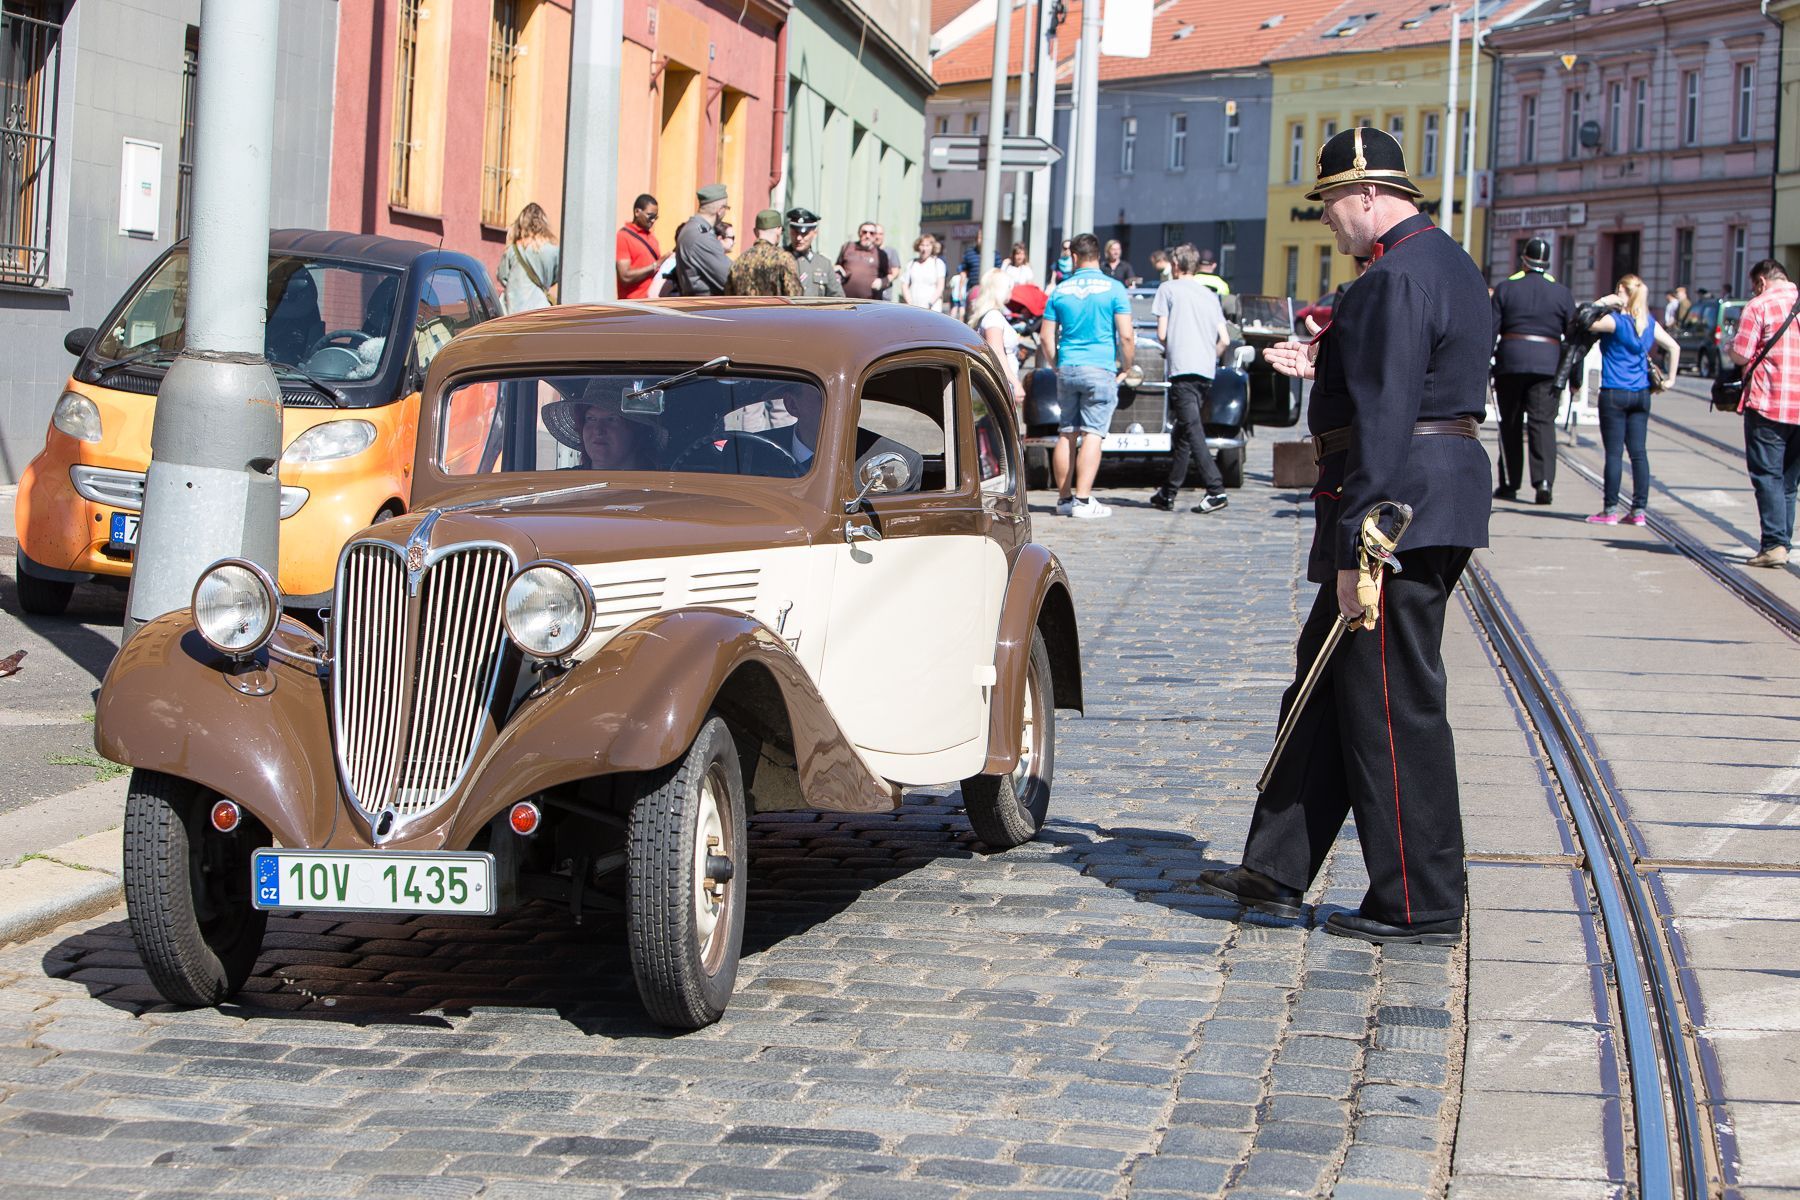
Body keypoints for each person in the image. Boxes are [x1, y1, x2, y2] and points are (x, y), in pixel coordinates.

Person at [1199, 127, 1493, 946]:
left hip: (1396, 509)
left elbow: (1388, 415)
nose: (1327, 219)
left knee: (1392, 705)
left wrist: (1359, 547)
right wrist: (1330, 357)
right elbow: (1413, 371)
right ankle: (1278, 866)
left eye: (1331, 203)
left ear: (1368, 193)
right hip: (1430, 494)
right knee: (1326, 682)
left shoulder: (1392, 278)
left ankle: (1419, 900)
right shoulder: (1442, 262)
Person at [1041, 232, 1133, 519]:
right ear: (1099, 256)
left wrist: (1057, 364)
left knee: (1067, 432)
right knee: (1093, 432)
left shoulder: (1060, 290)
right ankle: (1083, 500)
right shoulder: (1114, 288)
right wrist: (1126, 366)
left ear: (1075, 257)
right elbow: (1127, 336)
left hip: (1068, 366)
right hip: (1100, 367)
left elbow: (1045, 337)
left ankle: (1064, 499)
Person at [1584, 274, 1679, 525]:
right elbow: (1674, 347)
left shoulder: (1615, 322)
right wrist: (1670, 379)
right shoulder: (1648, 322)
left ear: (1624, 292)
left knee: (1614, 453)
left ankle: (1610, 510)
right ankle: (1638, 512)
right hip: (1641, 395)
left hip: (1614, 393)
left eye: (1618, 290)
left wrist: (1605, 301)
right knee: (1638, 453)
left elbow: (1586, 321)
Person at [1147, 244, 1232, 515]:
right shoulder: (1209, 295)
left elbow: (1162, 334)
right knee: (1184, 432)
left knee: (1192, 429)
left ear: (1175, 265)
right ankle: (1168, 492)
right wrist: (1210, 355)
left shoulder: (1167, 289)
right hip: (1206, 370)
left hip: (1182, 368)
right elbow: (1225, 339)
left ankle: (1215, 488)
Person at [1490, 237, 1574, 505]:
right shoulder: (1561, 293)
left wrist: (1483, 363)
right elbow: (1573, 339)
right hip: (1547, 366)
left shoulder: (1505, 289)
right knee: (1542, 424)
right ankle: (1544, 483)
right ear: (1547, 263)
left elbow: (1491, 331)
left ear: (1523, 260)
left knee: (1511, 425)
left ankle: (1510, 483)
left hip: (1511, 364)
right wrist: (1576, 377)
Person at [1728, 259, 1800, 567]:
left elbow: (1742, 354)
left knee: (1767, 475)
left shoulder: (1758, 306)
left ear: (1760, 282)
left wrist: (1730, 348)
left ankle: (1773, 545)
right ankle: (1781, 541)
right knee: (1788, 480)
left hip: (1768, 403)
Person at [543, 384, 664, 470]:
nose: (598, 430)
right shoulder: (562, 485)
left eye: (611, 420)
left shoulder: (660, 488)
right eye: (591, 419)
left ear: (636, 432)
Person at [968, 268, 1025, 404]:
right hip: (1001, 386)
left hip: (996, 385)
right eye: (1009, 287)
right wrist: (1016, 383)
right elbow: (997, 353)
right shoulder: (994, 317)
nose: (1011, 291)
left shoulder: (988, 315)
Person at [497, 202, 560, 315]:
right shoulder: (553, 251)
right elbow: (557, 276)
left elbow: (502, 276)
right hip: (540, 312)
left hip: (513, 313)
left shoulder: (513, 250)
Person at [673, 184, 733, 296]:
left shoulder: (692, 229)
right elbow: (730, 277)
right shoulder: (701, 237)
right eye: (726, 208)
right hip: (707, 306)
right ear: (720, 210)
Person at [727, 209, 803, 297]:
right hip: (774, 311)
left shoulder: (738, 262)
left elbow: (729, 296)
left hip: (744, 310)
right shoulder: (784, 259)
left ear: (755, 232)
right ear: (779, 230)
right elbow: (795, 296)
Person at [785, 208, 843, 298]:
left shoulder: (824, 264)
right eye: (795, 232)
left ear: (815, 233)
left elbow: (838, 296)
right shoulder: (780, 259)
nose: (799, 238)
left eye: (804, 234)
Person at [615, 194, 661, 301]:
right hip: (633, 304)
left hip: (653, 302)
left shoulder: (652, 238)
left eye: (656, 217)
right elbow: (625, 276)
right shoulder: (623, 237)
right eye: (650, 216)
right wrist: (655, 265)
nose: (653, 221)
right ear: (637, 212)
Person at [837, 221, 888, 300]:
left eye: (871, 233)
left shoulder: (881, 254)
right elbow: (838, 266)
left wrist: (881, 282)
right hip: (845, 300)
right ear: (859, 233)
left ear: (875, 236)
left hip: (869, 304)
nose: (867, 236)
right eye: (864, 232)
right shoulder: (847, 247)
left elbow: (887, 278)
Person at [900, 236, 946, 309]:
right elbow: (904, 285)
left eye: (927, 245)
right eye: (922, 245)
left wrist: (930, 304)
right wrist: (910, 303)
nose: (924, 249)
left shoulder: (938, 263)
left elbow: (940, 287)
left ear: (932, 247)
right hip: (914, 308)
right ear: (918, 247)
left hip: (932, 308)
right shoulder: (911, 263)